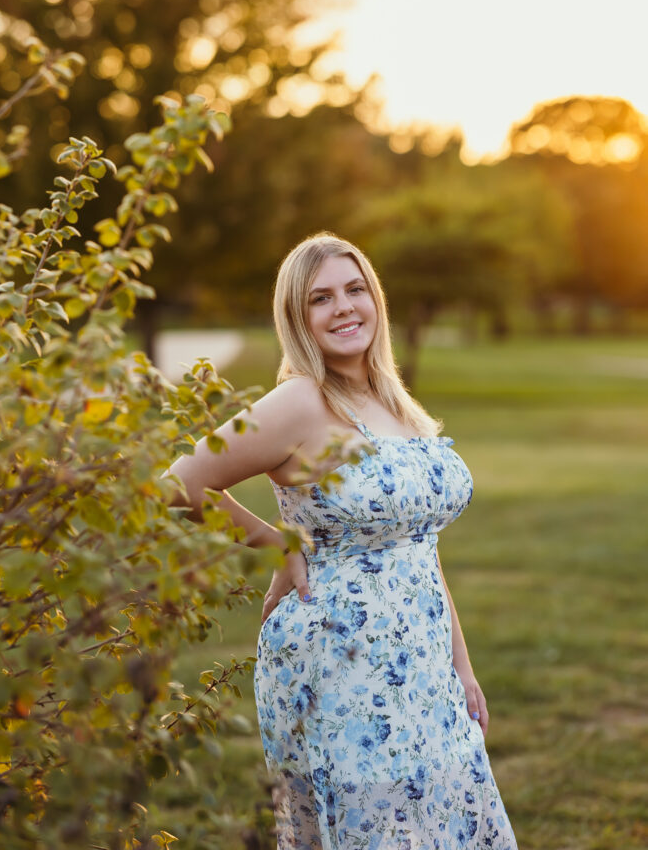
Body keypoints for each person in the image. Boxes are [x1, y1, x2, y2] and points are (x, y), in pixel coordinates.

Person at [166, 232, 519, 849]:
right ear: (297, 319)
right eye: (321, 299)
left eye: (355, 289)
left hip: (425, 665)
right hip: (337, 665)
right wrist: (277, 543)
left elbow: (420, 550)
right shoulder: (300, 401)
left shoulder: (392, 402)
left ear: (376, 298)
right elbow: (177, 485)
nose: (344, 307)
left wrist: (461, 668)